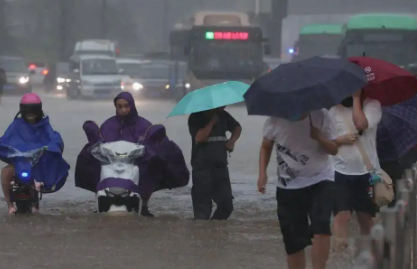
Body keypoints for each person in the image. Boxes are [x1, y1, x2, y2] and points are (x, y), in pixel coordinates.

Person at [75, 92, 189, 217]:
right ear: (116, 107)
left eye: (126, 106)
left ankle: (143, 204)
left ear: (132, 106)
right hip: (111, 165)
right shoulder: (108, 125)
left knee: (151, 169)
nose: (123, 109)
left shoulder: (143, 125)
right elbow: (99, 142)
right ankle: (102, 201)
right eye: (120, 106)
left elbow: (156, 141)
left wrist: (151, 151)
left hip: (138, 166)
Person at [258, 109, 338, 269]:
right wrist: (262, 174)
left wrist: (319, 137)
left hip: (321, 179)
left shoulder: (322, 115)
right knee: (293, 241)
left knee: (321, 225)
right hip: (288, 186)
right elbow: (266, 146)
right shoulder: (275, 118)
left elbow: (334, 149)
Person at [329, 89, 382, 252]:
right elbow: (325, 144)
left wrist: (356, 98)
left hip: (367, 173)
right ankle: (340, 257)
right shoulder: (333, 111)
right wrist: (339, 140)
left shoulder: (373, 105)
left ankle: (370, 259)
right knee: (341, 217)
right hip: (339, 172)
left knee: (366, 218)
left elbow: (361, 124)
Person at [0, 93, 69, 214]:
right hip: (20, 163)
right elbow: (6, 140)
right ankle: (10, 205)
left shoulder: (45, 125)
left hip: (38, 163)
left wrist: (51, 147)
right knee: (5, 173)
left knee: (39, 179)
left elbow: (53, 138)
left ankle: (35, 203)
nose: (30, 113)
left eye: (33, 110)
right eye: (27, 110)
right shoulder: (16, 125)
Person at [188, 107, 242, 220]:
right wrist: (212, 122)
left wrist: (231, 141)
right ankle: (203, 234)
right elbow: (200, 137)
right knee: (202, 213)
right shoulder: (195, 116)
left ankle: (215, 233)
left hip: (220, 167)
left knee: (226, 206)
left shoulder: (223, 115)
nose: (224, 106)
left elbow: (237, 128)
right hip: (202, 168)